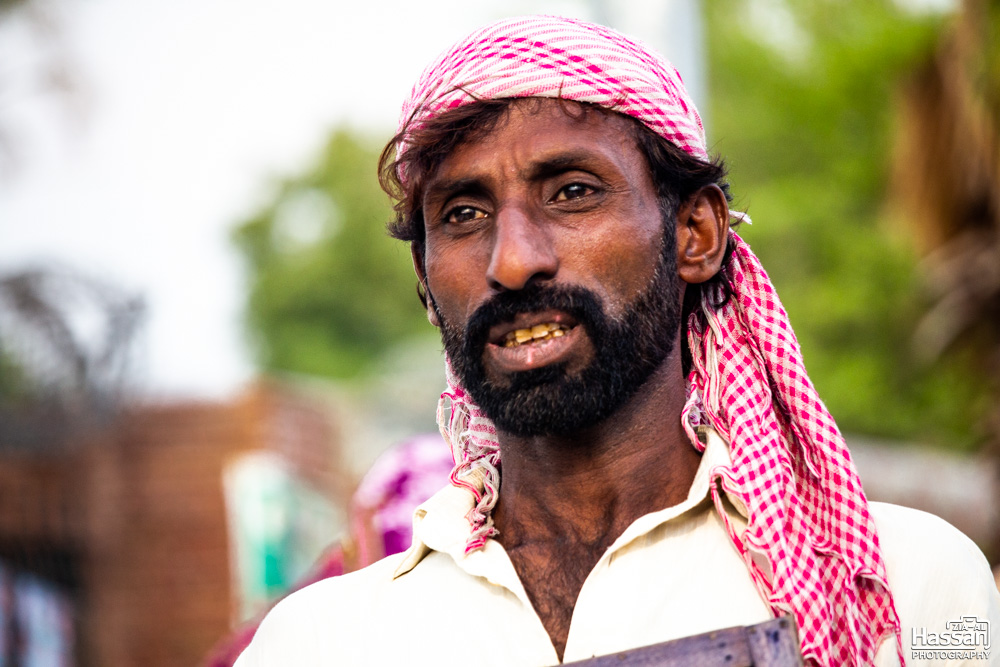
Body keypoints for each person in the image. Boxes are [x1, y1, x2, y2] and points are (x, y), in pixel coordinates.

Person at [235, 16, 1000, 667]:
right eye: (464, 214)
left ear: (695, 232)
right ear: (425, 281)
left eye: (572, 192)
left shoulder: (921, 590)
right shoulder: (320, 643)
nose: (513, 259)